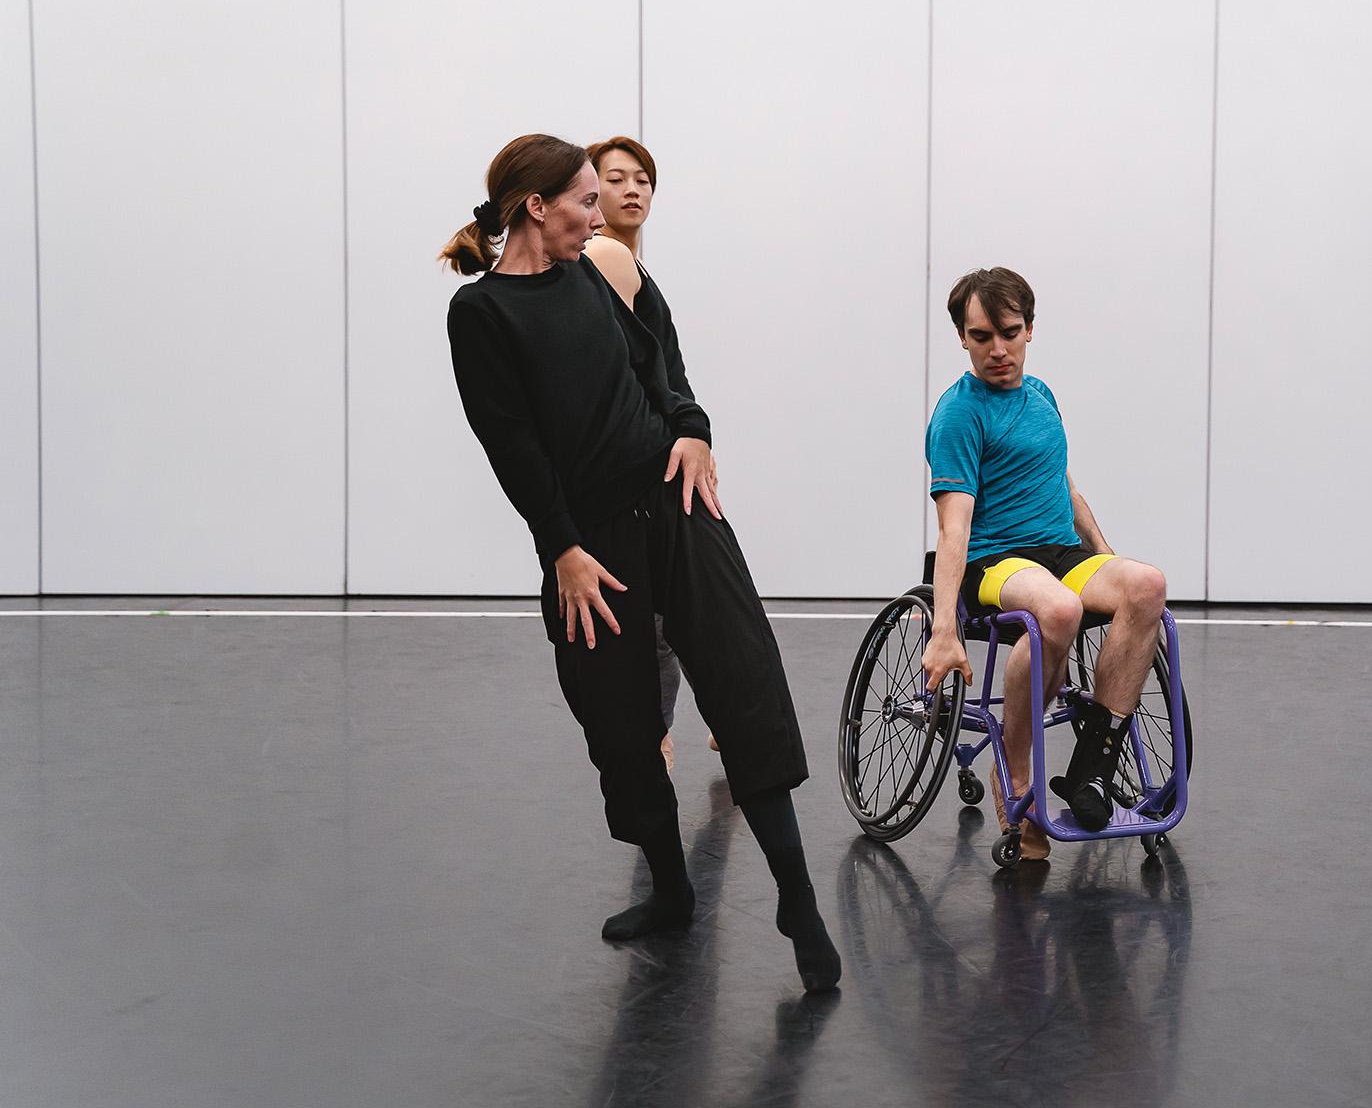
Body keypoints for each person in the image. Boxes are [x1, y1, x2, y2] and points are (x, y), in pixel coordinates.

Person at [441, 133, 838, 991]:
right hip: (592, 545)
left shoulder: (602, 270)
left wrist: (692, 427)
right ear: (535, 207)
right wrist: (563, 551)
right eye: (586, 199)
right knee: (621, 726)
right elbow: (509, 446)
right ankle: (670, 891)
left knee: (745, 688)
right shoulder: (480, 315)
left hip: (677, 506)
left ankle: (797, 900)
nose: (602, 213)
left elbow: (661, 360)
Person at [920, 268, 1169, 861]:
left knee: (1146, 584)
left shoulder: (1042, 397)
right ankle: (1021, 773)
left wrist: (1106, 559)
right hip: (994, 560)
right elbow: (953, 529)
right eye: (982, 337)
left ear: (1030, 329)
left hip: (1059, 552)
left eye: (1009, 332)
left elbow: (1065, 486)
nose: (998, 350)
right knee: (1059, 609)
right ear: (963, 338)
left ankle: (1091, 772)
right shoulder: (958, 414)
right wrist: (944, 628)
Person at [579, 134, 712, 772]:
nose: (634, 189)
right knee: (670, 605)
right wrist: (687, 426)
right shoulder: (604, 253)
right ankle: (671, 727)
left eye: (644, 180)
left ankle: (694, 721)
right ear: (590, 190)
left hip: (663, 452)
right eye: (617, 178)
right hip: (648, 462)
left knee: (678, 602)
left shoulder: (624, 260)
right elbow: (643, 376)